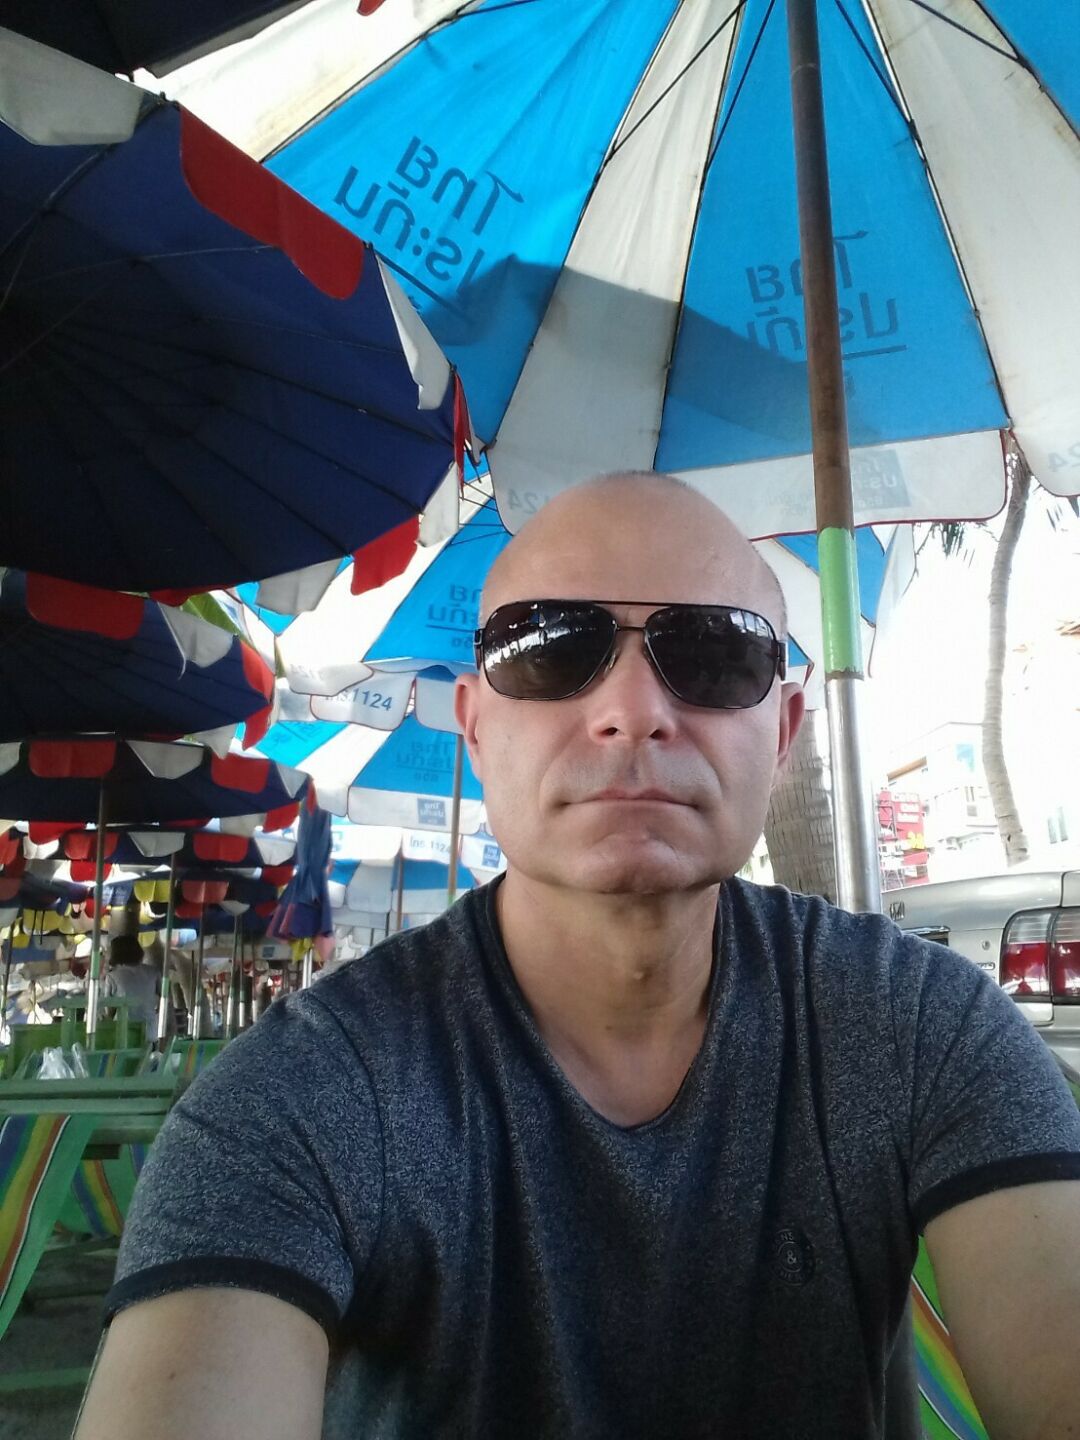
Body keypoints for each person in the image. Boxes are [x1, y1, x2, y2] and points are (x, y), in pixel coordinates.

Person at [75, 473, 1080, 1440]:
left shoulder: (922, 1028)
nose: (632, 710)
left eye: (715, 653)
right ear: (476, 727)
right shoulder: (304, 1096)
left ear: (782, 732)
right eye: (550, 648)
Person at [101, 934, 161, 1043]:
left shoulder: (112, 976)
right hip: (150, 1032)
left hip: (124, 1034)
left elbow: (109, 1011)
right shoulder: (154, 972)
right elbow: (162, 1001)